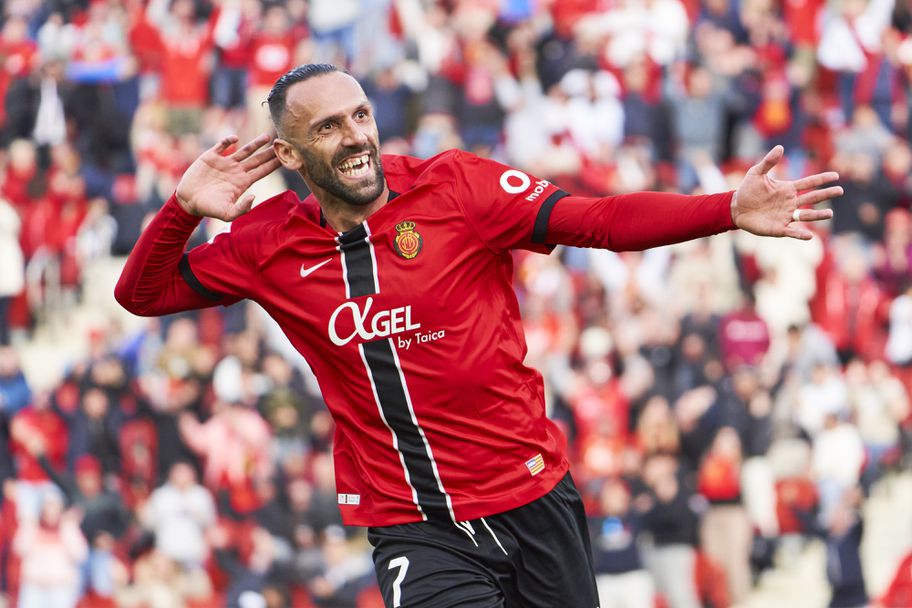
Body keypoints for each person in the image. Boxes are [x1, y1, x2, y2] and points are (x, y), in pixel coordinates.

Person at [115, 63, 842, 607]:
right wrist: (182, 209)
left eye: (361, 115)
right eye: (328, 127)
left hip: (532, 498)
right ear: (291, 154)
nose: (356, 136)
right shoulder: (266, 244)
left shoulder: (457, 187)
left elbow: (599, 220)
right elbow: (141, 295)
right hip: (414, 524)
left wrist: (725, 209)